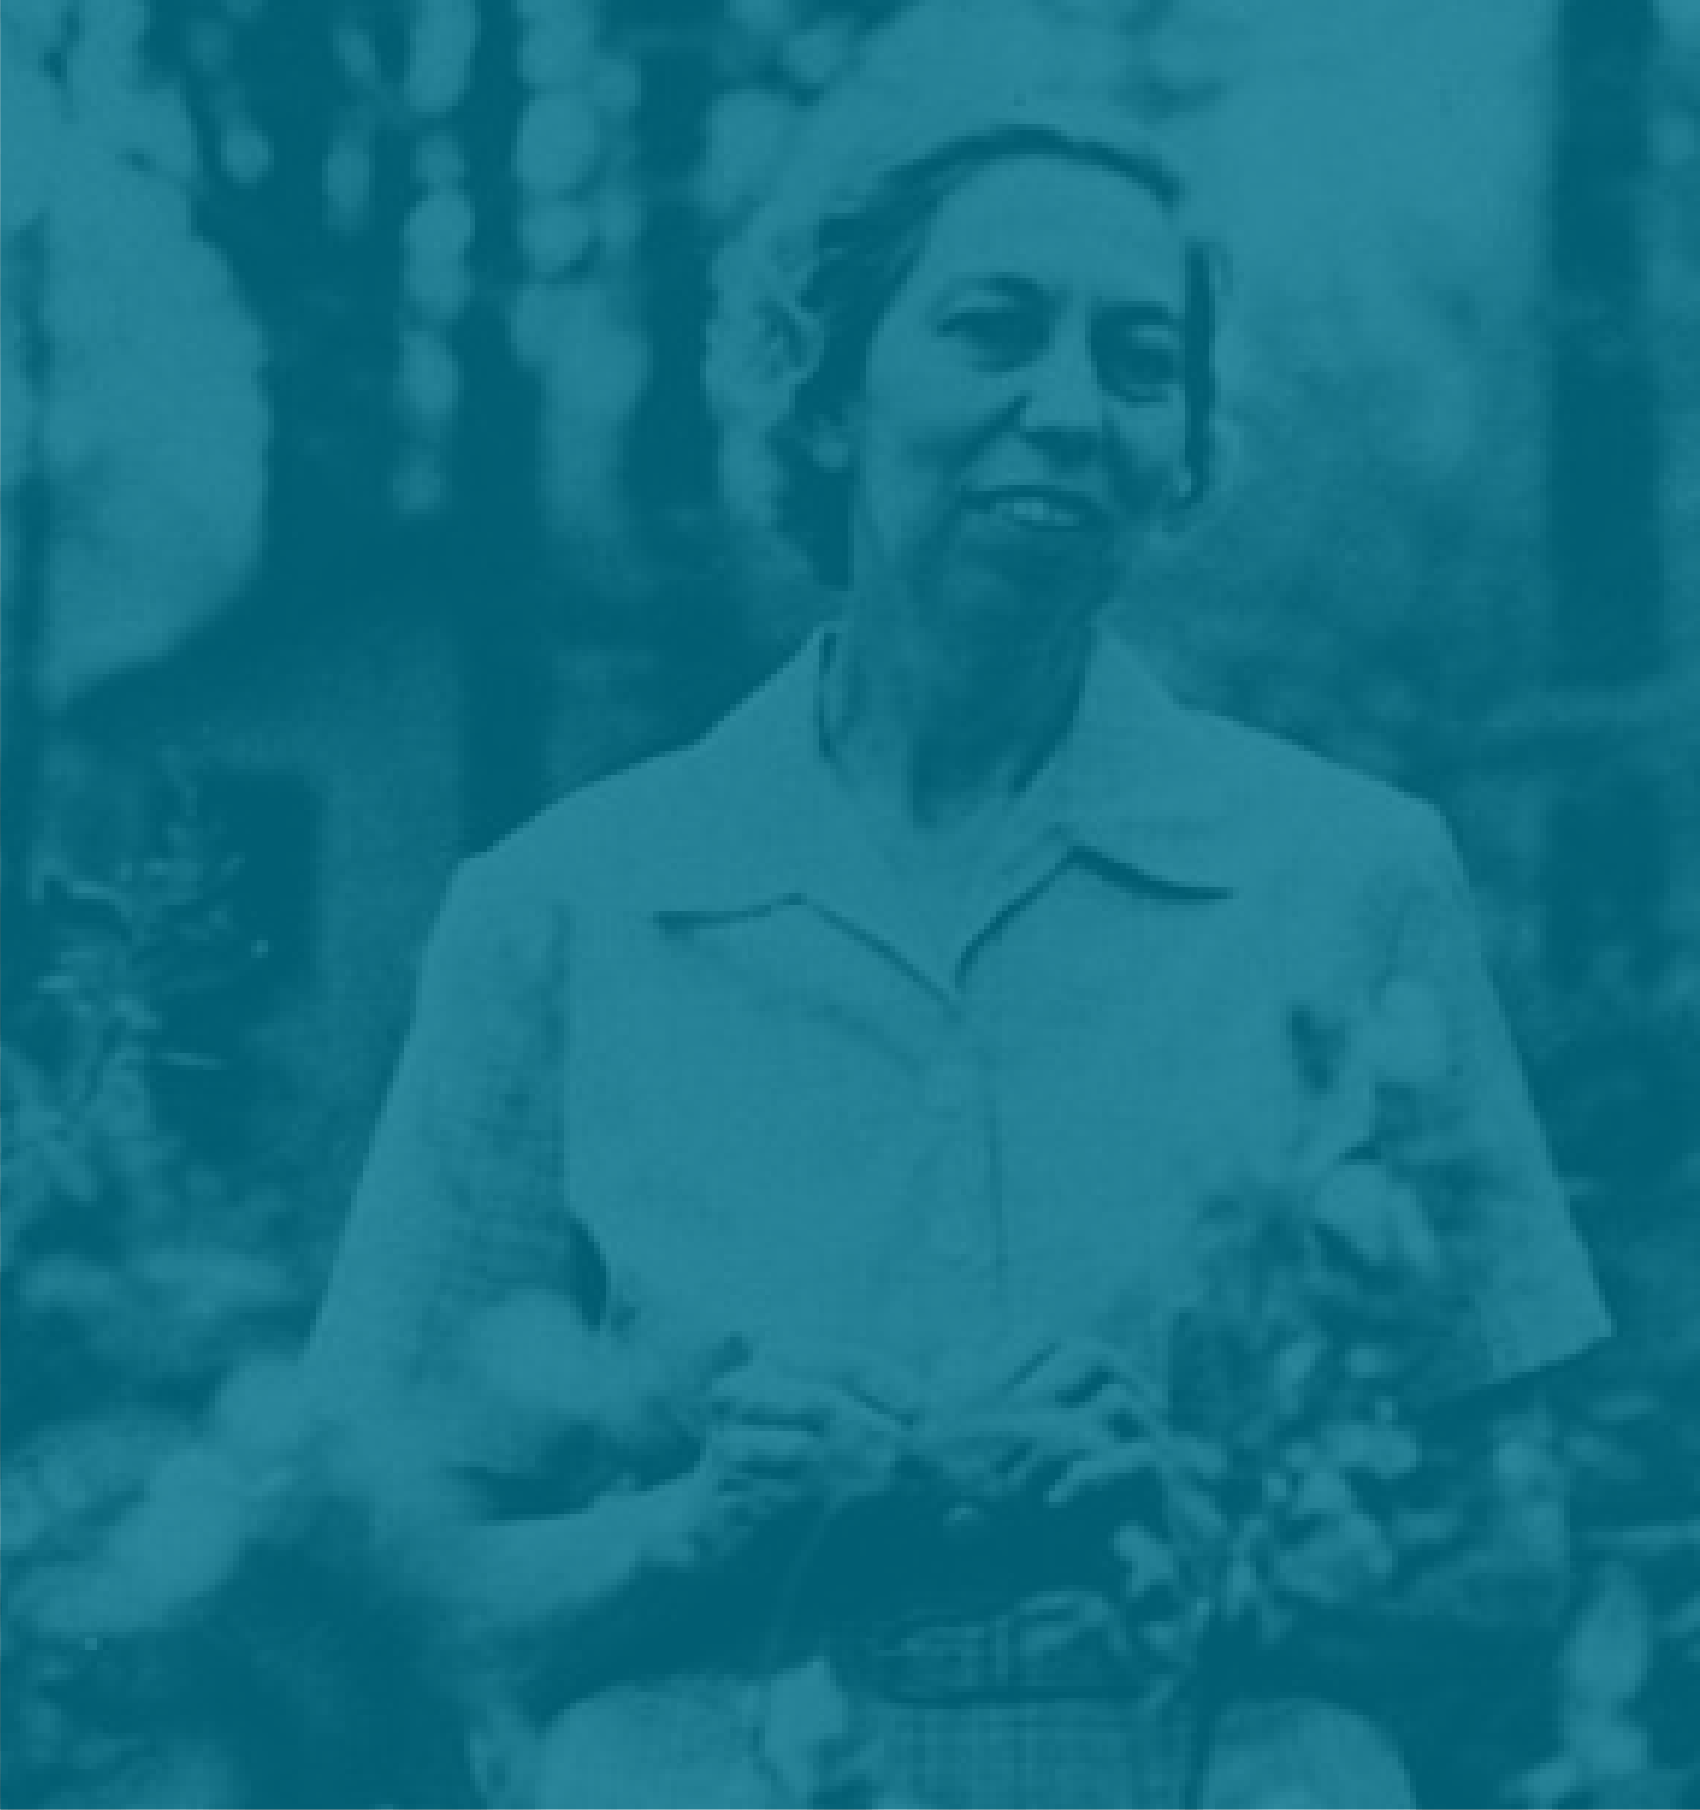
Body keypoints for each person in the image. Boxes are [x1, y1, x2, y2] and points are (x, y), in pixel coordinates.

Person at [306, 18, 1609, 1809]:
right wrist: (706, 1527)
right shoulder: (562, 909)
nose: (1070, 408)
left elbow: (1514, 1558)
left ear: (1181, 450)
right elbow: (381, 1574)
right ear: (827, 393)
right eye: (995, 329)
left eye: (1139, 361)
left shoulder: (1353, 879)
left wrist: (1197, 1520)